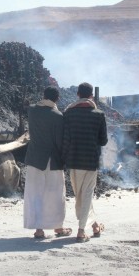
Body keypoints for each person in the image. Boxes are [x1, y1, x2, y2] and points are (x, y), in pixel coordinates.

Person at [23, 86, 72, 239]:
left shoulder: (32, 110)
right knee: (55, 194)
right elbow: (59, 141)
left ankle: (39, 229)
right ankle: (58, 227)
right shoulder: (58, 116)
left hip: (34, 159)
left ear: (43, 95)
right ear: (57, 99)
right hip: (52, 161)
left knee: (35, 194)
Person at [62, 82, 107, 243]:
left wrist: (64, 157)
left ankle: (94, 225)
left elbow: (65, 139)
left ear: (77, 95)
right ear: (91, 96)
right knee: (86, 195)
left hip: (73, 160)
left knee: (79, 195)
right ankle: (81, 231)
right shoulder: (99, 114)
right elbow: (103, 141)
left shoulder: (68, 114)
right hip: (91, 161)